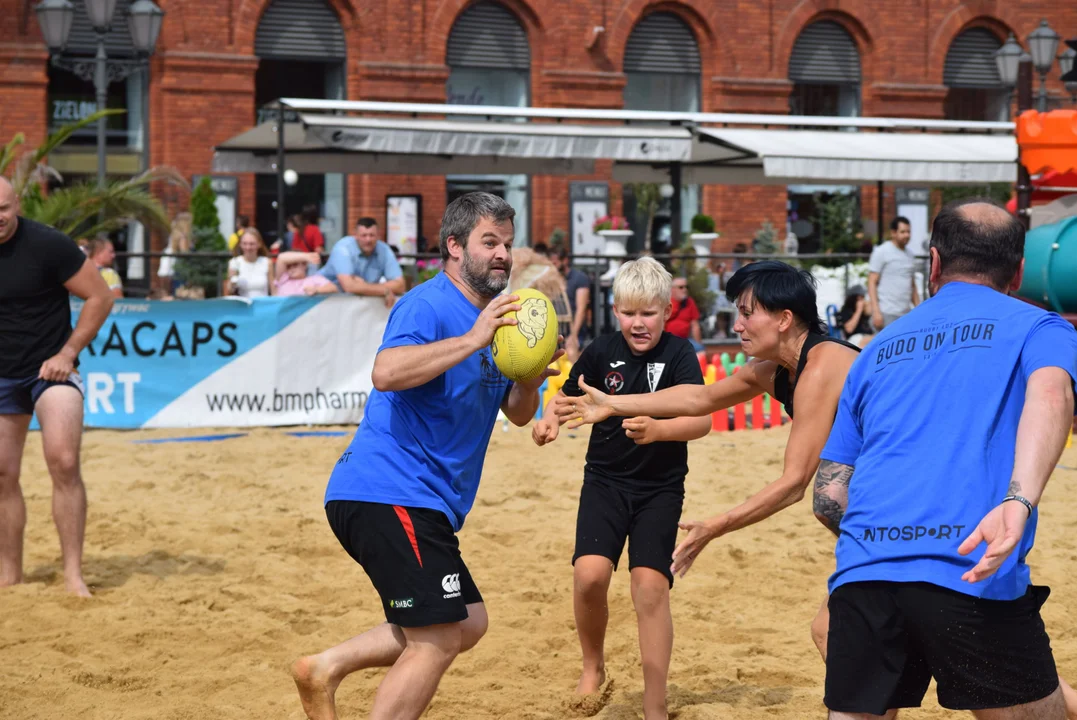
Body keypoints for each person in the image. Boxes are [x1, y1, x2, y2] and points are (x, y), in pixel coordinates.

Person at [556, 257, 1077, 719]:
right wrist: (614, 404)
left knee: (898, 645)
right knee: (837, 632)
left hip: (920, 509)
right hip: (880, 518)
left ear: (784, 319)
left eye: (745, 312)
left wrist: (714, 526)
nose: (735, 324)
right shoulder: (774, 368)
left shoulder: (825, 364)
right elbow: (700, 398)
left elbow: (792, 483)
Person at [290, 192, 563, 720]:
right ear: (454, 246)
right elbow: (386, 372)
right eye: (490, 242)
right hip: (388, 490)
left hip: (421, 500)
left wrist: (529, 379)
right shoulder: (429, 303)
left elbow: (520, 411)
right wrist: (472, 337)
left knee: (469, 621)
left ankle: (326, 667)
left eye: (507, 243)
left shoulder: (499, 321)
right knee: (437, 637)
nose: (503, 254)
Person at [816, 199, 1077, 719]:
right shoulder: (1040, 326)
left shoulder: (873, 349)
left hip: (866, 574)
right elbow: (1052, 397)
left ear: (933, 263)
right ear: (1019, 271)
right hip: (969, 569)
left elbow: (829, 496)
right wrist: (1018, 500)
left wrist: (891, 535)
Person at [532, 256, 710, 720]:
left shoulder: (679, 355)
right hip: (605, 483)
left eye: (648, 312)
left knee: (649, 587)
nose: (638, 322)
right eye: (628, 312)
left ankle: (655, 702)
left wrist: (659, 430)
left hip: (660, 490)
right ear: (615, 311)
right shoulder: (599, 351)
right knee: (589, 576)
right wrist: (550, 419)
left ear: (667, 310)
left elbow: (703, 420)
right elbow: (568, 395)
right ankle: (593, 666)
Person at [0, 176, 115, 598]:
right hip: (2, 376)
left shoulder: (47, 244)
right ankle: (9, 574)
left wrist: (68, 353)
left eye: (4, 208)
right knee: (2, 473)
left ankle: (73, 575)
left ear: (17, 206)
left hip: (52, 370)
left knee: (64, 461)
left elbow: (100, 297)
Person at [309, 217, 406, 307]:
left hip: (350, 305)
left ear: (378, 236)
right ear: (355, 235)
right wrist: (384, 290)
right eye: (364, 235)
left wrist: (366, 287)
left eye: (372, 235)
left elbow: (400, 285)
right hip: (320, 299)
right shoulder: (343, 248)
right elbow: (349, 286)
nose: (368, 239)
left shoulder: (384, 249)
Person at [868, 216, 919, 330]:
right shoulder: (882, 251)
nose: (907, 235)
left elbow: (912, 285)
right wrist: (876, 312)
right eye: (903, 232)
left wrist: (919, 310)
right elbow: (871, 282)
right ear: (893, 233)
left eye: (908, 231)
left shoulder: (910, 255)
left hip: (905, 314)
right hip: (886, 313)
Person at [552, 246, 591, 362]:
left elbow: (581, 309)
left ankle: (574, 378)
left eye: (555, 262)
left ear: (565, 260)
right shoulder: (552, 279)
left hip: (574, 329)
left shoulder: (580, 278)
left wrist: (573, 335)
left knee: (571, 351)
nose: (553, 266)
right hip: (557, 328)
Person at [224, 228, 272, 298]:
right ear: (240, 244)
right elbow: (229, 291)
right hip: (243, 306)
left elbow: (274, 290)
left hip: (262, 305)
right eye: (244, 243)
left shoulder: (267, 262)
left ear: (259, 244)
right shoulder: (235, 263)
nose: (248, 247)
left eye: (252, 244)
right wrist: (232, 282)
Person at [666, 276, 704, 352]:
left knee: (700, 350)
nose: (685, 290)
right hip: (667, 340)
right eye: (681, 287)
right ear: (672, 289)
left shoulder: (689, 302)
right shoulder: (665, 302)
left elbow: (695, 326)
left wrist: (699, 343)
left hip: (684, 340)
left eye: (686, 287)